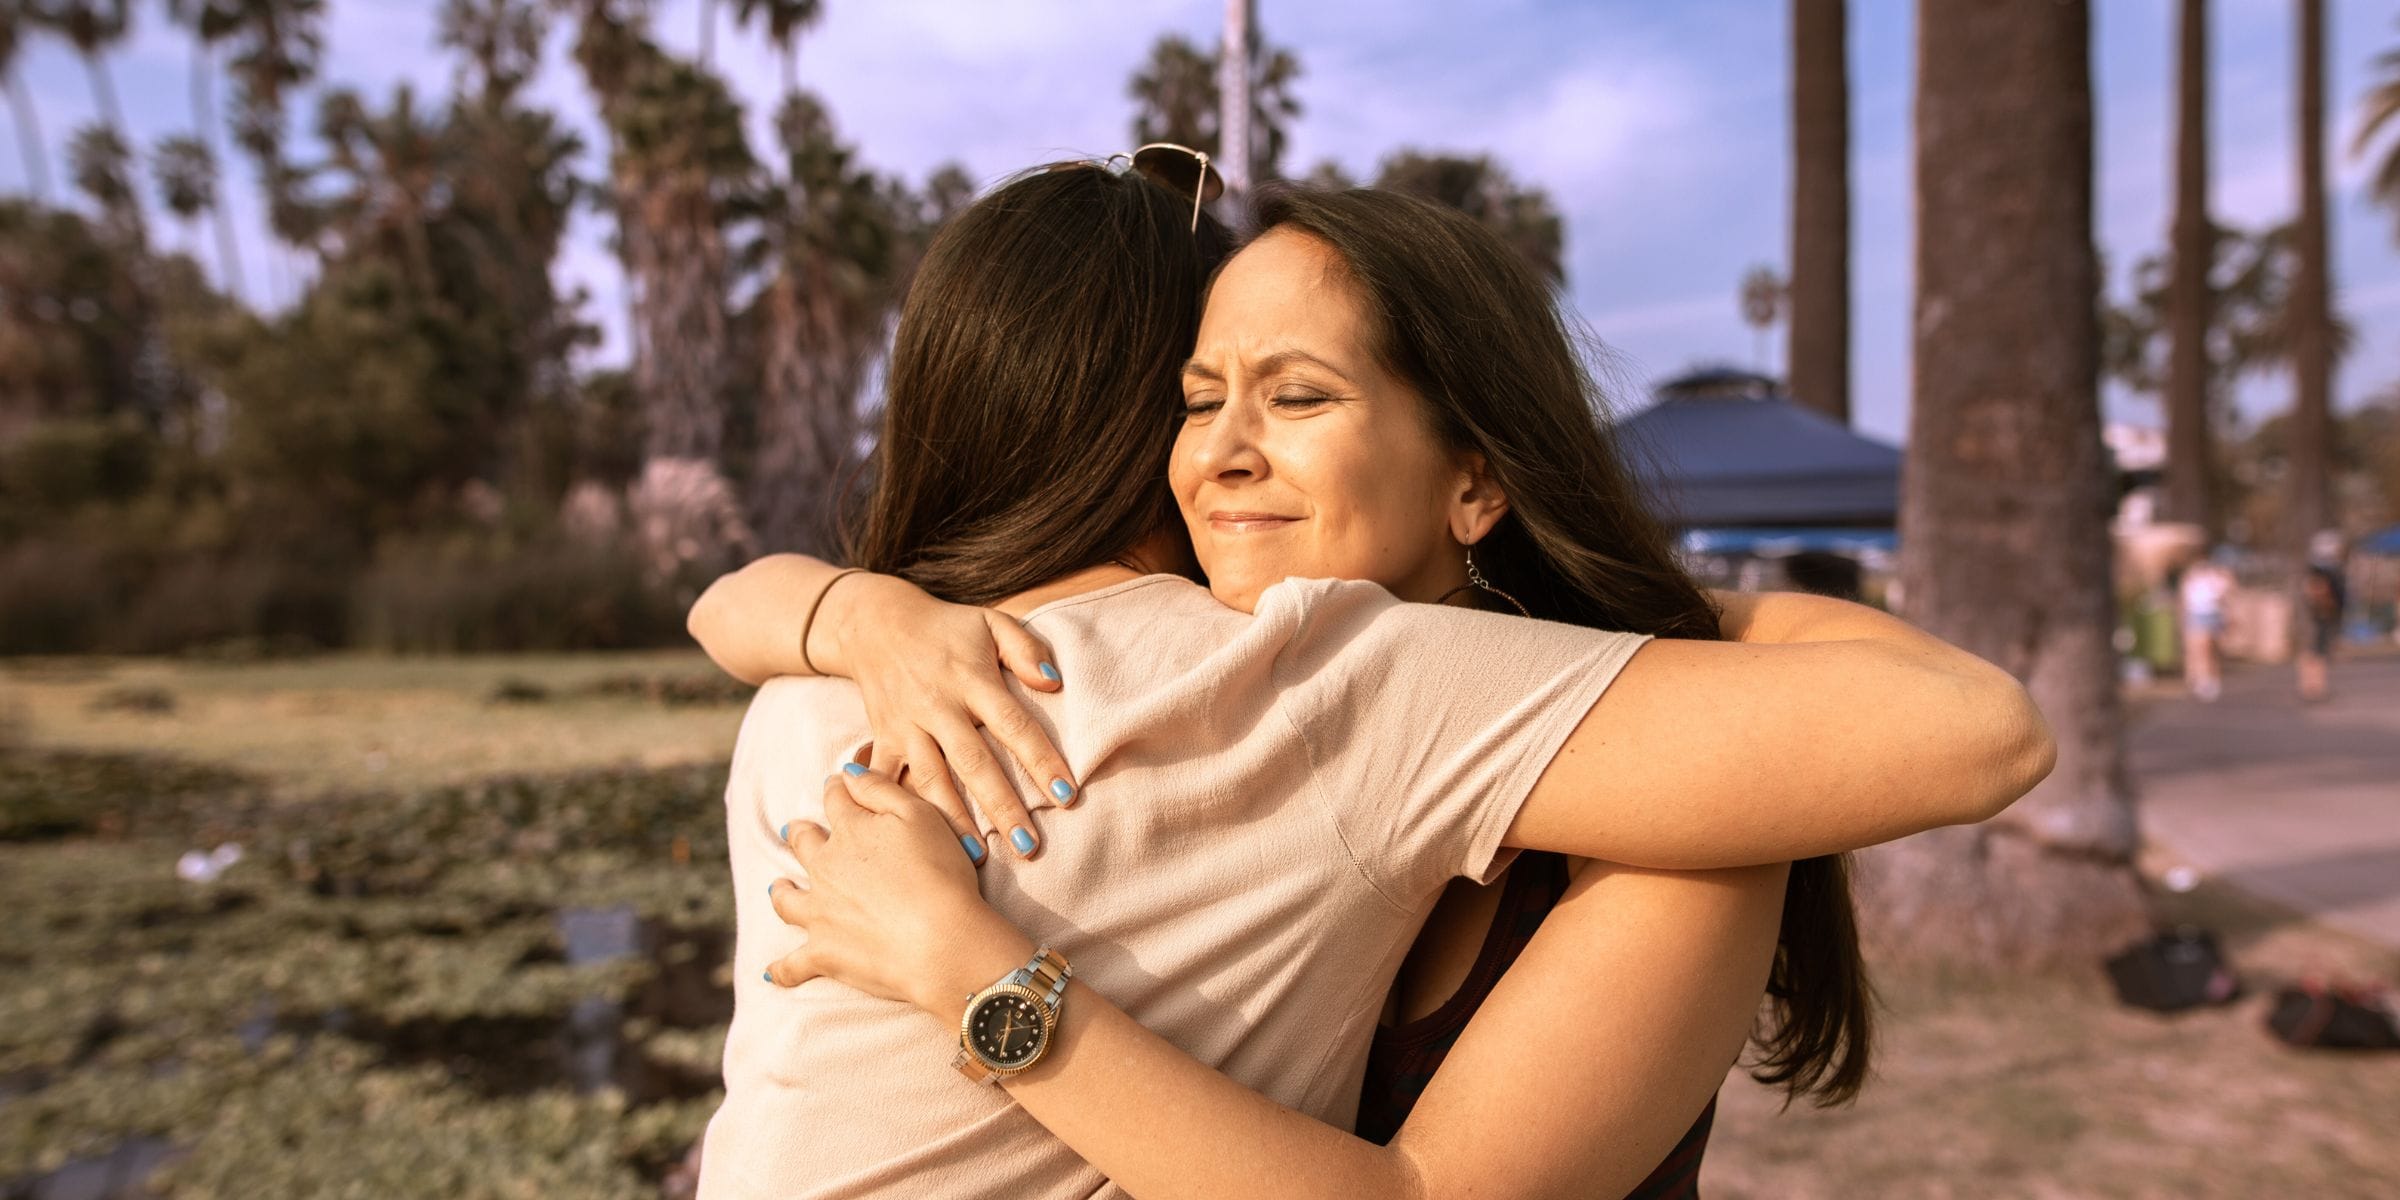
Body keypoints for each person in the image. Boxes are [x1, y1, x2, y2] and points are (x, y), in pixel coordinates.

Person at [687, 173, 2054, 1199]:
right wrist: (855, 612)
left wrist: (979, 976)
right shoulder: (1237, 709)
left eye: (1296, 398)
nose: (1216, 452)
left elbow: (1983, 732)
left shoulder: (1423, 720)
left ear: (1474, 478)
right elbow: (733, 609)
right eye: (1196, 395)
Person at [2298, 530, 2348, 703]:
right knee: (2316, 652)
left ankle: (2315, 686)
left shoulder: (2326, 568)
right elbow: (2316, 590)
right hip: (2321, 613)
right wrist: (2325, 606)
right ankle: (2313, 687)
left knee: (2319, 651)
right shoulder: (2320, 570)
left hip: (2323, 613)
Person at [2178, 551, 2232, 702]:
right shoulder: (2190, 577)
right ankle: (2202, 680)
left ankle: (2210, 679)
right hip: (2197, 615)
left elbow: (2226, 594)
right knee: (2200, 649)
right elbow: (2184, 598)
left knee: (2211, 649)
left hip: (2212, 614)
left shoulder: (2216, 576)